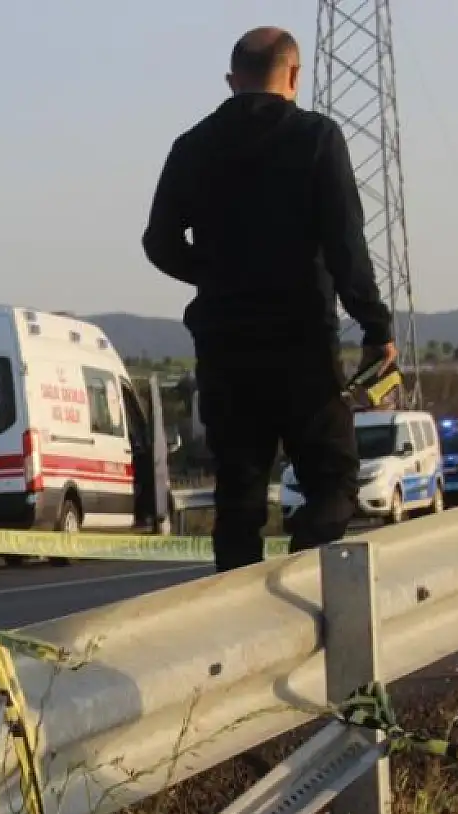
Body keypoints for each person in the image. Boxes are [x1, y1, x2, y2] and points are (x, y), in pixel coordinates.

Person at [142, 26, 398, 572]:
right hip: (300, 341)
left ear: (232, 80)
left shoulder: (191, 147)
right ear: (295, 75)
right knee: (332, 480)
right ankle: (308, 573)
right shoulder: (316, 138)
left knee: (238, 497)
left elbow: (158, 243)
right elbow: (345, 243)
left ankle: (240, 623)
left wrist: (217, 275)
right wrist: (376, 328)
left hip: (225, 346)